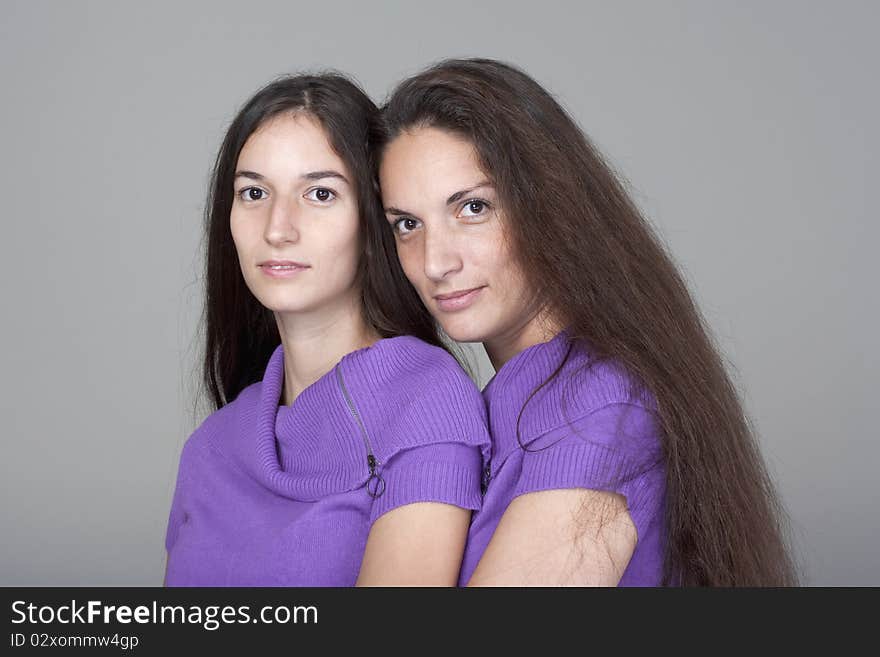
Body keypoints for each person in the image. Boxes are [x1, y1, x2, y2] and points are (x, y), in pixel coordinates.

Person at [377, 58, 798, 586]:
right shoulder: (500, 405)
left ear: (547, 205)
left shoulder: (595, 409)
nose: (436, 261)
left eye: (473, 208)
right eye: (407, 224)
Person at [163, 73, 490, 586]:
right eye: (253, 192)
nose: (277, 228)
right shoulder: (211, 447)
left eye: (319, 193)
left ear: (373, 219)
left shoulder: (425, 401)